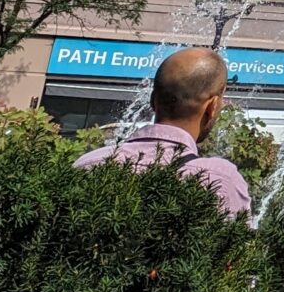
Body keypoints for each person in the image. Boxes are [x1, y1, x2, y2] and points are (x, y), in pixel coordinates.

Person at [73, 46, 253, 221]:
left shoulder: (89, 163)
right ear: (212, 106)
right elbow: (236, 248)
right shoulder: (221, 179)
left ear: (152, 100)